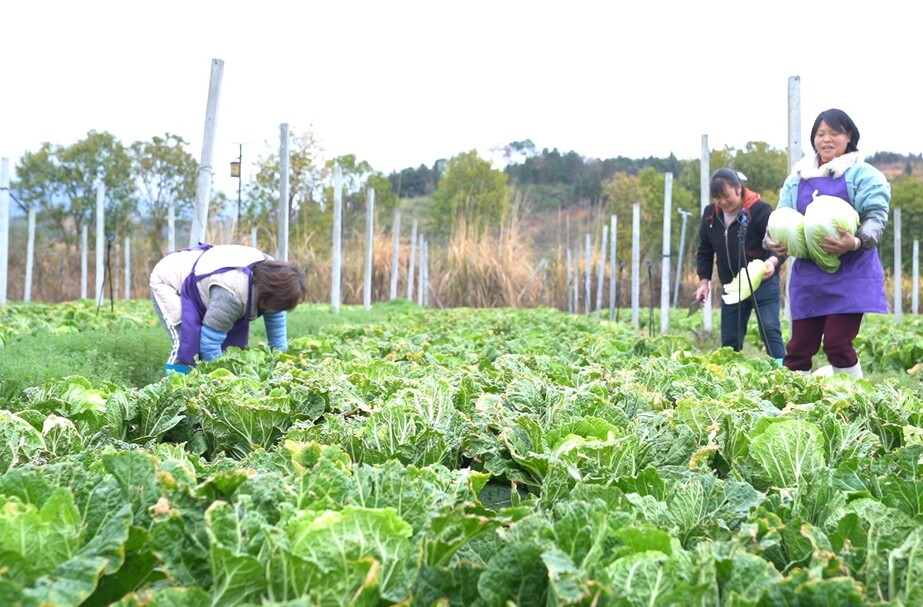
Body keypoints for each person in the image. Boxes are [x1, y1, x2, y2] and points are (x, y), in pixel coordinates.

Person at [765, 108, 889, 378]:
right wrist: (774, 244)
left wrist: (855, 241)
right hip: (810, 276)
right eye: (821, 134)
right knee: (799, 348)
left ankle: (854, 401)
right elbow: (782, 218)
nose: (826, 139)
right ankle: (792, 404)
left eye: (834, 133)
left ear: (849, 137)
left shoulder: (865, 176)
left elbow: (875, 218)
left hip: (851, 273)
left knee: (837, 343)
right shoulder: (797, 179)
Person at [149, 243, 306, 374]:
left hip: (208, 282)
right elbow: (209, 343)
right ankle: (169, 391)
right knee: (187, 345)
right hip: (171, 280)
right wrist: (223, 377)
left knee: (230, 349)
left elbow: (276, 324)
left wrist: (281, 364)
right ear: (266, 298)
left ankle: (195, 390)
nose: (275, 309)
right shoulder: (233, 294)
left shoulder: (275, 280)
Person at [695, 167, 786, 362]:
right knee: (729, 339)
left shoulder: (760, 210)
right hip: (732, 285)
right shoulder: (711, 215)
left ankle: (784, 374)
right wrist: (704, 282)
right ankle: (731, 379)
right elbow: (705, 249)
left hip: (762, 280)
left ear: (739, 189)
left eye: (726, 195)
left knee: (770, 329)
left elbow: (779, 242)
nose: (722, 202)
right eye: (717, 197)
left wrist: (772, 261)